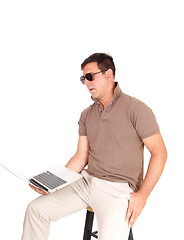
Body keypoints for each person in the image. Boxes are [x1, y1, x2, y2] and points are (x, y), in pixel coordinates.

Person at [21, 53, 167, 240]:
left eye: (90, 76)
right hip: (86, 182)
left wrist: (142, 196)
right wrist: (53, 184)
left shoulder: (136, 109)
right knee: (36, 210)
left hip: (118, 189)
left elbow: (160, 153)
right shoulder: (86, 114)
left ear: (109, 75)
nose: (86, 83)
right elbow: (81, 156)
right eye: (83, 78)